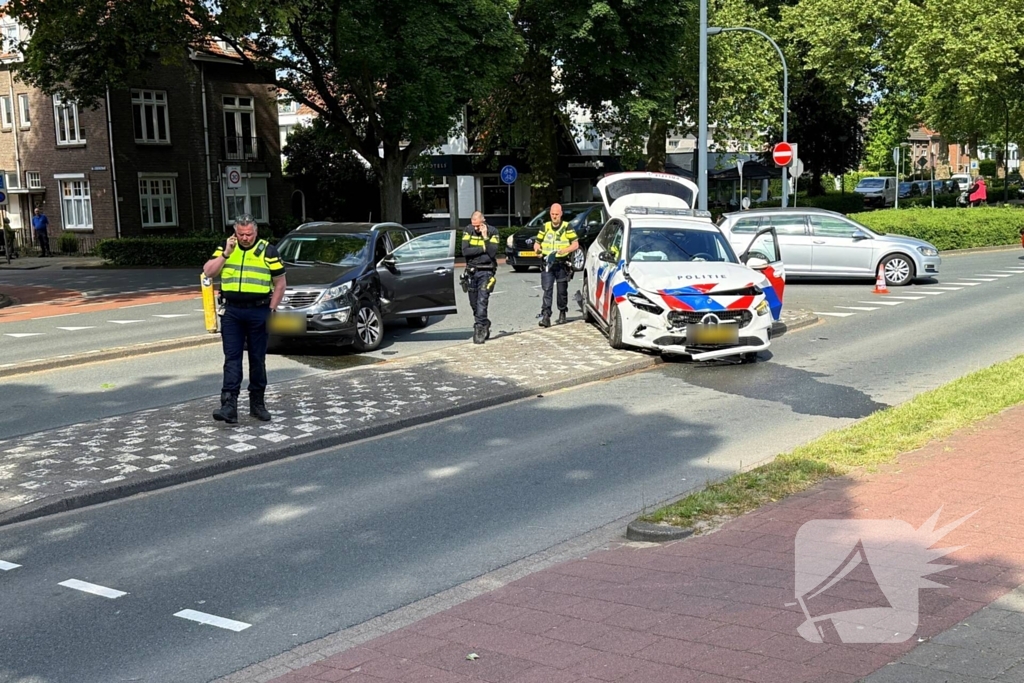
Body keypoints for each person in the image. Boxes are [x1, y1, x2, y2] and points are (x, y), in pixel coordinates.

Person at [202, 214, 287, 424]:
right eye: (241, 234)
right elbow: (208, 272)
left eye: (249, 234)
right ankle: (229, 406)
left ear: (256, 232)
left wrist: (272, 309)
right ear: (235, 232)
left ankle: (257, 404)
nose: (245, 238)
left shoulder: (268, 251)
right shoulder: (226, 248)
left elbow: (280, 283)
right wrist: (225, 254)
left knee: (257, 359)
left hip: (258, 311)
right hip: (232, 312)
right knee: (232, 358)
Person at [533, 203, 579, 327]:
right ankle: (546, 316)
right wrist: (537, 250)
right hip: (548, 263)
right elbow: (537, 243)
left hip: (562, 263)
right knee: (547, 289)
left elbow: (575, 244)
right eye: (552, 214)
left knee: (561, 291)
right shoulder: (545, 227)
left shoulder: (567, 226)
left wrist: (565, 250)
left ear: (561, 214)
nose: (554, 217)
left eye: (557, 214)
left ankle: (562, 312)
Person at [462, 210, 498, 344]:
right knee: (474, 303)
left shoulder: (493, 232)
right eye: (474, 225)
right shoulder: (468, 230)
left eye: (478, 226)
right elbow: (465, 251)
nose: (476, 228)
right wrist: (483, 249)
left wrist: (485, 238)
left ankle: (479, 329)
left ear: (483, 221)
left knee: (482, 301)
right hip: (471, 271)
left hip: (486, 271)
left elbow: (492, 253)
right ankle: (484, 322)